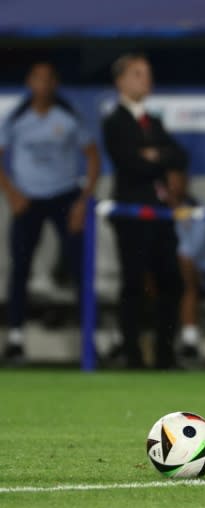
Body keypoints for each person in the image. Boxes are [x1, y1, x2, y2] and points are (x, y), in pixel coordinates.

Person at [0, 61, 100, 364]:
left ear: (54, 83)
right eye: (37, 78)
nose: (42, 84)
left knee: (79, 269)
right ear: (30, 82)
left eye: (48, 79)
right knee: (20, 268)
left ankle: (89, 344)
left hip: (64, 198)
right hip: (27, 200)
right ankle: (15, 339)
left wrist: (83, 200)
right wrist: (12, 193)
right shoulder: (17, 116)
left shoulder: (68, 115)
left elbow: (93, 157)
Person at [102, 54, 187, 369]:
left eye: (147, 74)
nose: (145, 80)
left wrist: (155, 155)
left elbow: (180, 156)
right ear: (121, 81)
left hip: (161, 214)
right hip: (132, 214)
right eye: (138, 74)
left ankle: (166, 355)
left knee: (171, 282)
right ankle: (132, 356)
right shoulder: (114, 121)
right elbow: (130, 163)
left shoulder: (154, 121)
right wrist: (156, 157)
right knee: (134, 284)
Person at [165, 170, 205, 363]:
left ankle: (190, 343)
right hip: (170, 273)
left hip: (203, 273)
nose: (173, 187)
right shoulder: (157, 210)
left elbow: (193, 250)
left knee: (185, 266)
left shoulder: (197, 209)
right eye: (169, 182)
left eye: (177, 181)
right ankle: (158, 344)